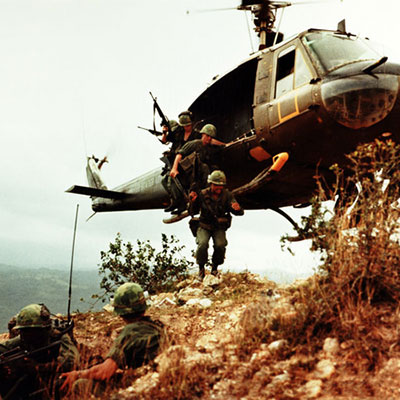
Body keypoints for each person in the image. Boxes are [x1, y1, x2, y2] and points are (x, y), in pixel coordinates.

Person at [60, 282, 164, 396]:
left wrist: (77, 374)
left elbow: (104, 372)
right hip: (158, 380)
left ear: (121, 313)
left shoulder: (129, 332)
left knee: (81, 384)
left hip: (142, 386)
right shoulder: (157, 327)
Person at [0, 303, 80, 400]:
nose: (24, 335)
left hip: (51, 381)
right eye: (23, 331)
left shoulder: (58, 337)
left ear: (43, 329)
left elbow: (72, 362)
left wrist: (39, 367)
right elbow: (4, 347)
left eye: (29, 331)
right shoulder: (24, 338)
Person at [189, 170, 244, 279]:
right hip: (204, 225)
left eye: (221, 186)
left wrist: (237, 209)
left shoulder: (227, 195)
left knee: (220, 245)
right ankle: (201, 269)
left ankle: (214, 268)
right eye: (216, 186)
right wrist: (193, 202)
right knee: (202, 244)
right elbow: (192, 212)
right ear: (211, 184)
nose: (219, 188)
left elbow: (239, 211)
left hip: (219, 226)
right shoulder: (203, 194)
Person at [169, 123, 223, 215]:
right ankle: (180, 203)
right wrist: (174, 168)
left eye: (211, 137)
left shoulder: (208, 148)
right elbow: (179, 154)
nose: (209, 139)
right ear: (203, 135)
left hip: (198, 177)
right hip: (187, 174)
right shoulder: (194, 144)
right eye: (207, 136)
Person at [161, 111, 201, 213]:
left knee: (175, 181)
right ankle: (176, 202)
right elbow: (164, 141)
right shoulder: (178, 133)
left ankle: (180, 203)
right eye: (184, 125)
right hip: (176, 161)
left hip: (188, 163)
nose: (186, 127)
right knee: (165, 181)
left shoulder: (196, 134)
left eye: (187, 125)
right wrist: (164, 132)